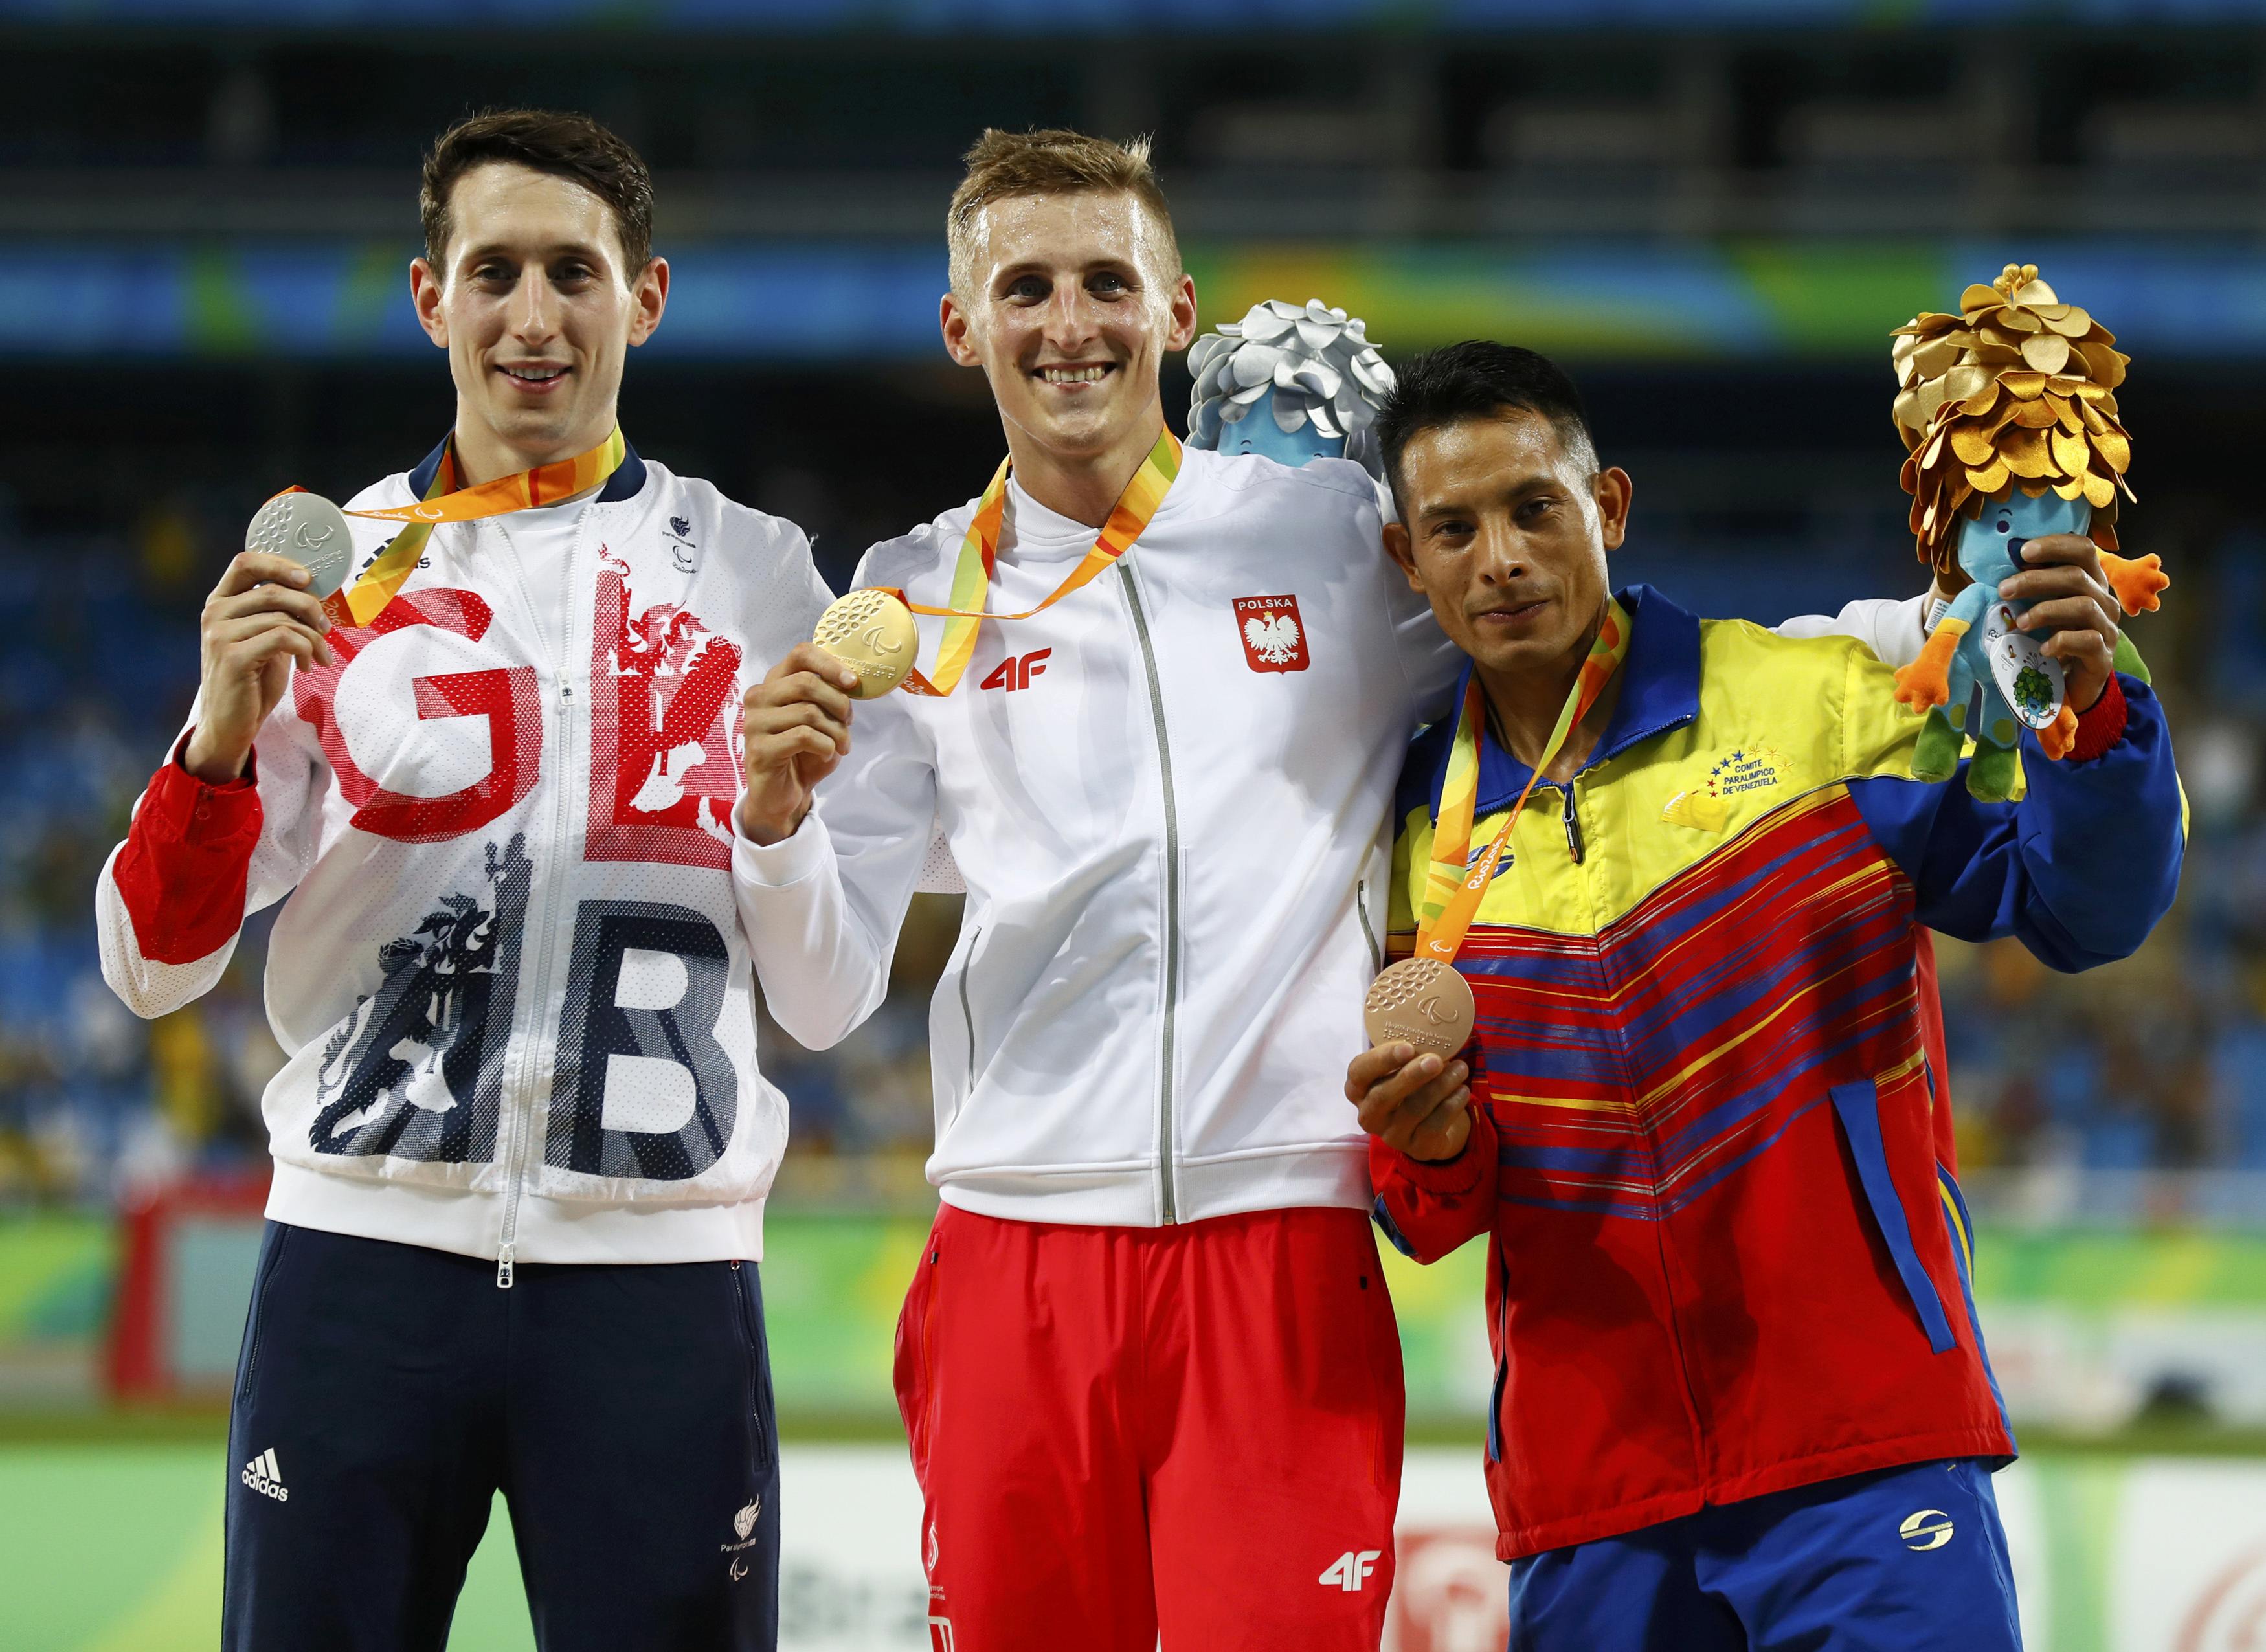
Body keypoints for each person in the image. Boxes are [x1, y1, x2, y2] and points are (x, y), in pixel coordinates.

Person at [735, 129, 1949, 1649]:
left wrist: (1930, 627)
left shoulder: (1322, 543)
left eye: (1108, 281)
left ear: (1176, 311)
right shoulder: (913, 597)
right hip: (1010, 1253)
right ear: (960, 325)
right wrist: (774, 823)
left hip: (1280, 1247)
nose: (1070, 324)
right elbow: (820, 988)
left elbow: (1613, 644)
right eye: (1026, 287)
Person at [95, 109, 831, 1652]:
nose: (534, 317)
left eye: (577, 271)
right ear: (431, 299)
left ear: (648, 296)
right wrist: (218, 735)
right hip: (363, 1262)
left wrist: (781, 817)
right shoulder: (335, 572)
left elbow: (824, 996)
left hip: (661, 1277)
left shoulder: (763, 575)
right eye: (492, 272)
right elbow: (151, 964)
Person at [1345, 341, 2182, 1649]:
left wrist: (2087, 716)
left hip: (1865, 1449)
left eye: (1532, 509)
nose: (1497, 557)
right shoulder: (1394, 841)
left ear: (1606, 507)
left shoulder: (1816, 709)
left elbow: (2081, 911)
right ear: (1411, 563)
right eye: (1452, 528)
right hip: (1594, 1498)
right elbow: (1430, 1211)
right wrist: (1432, 1148)